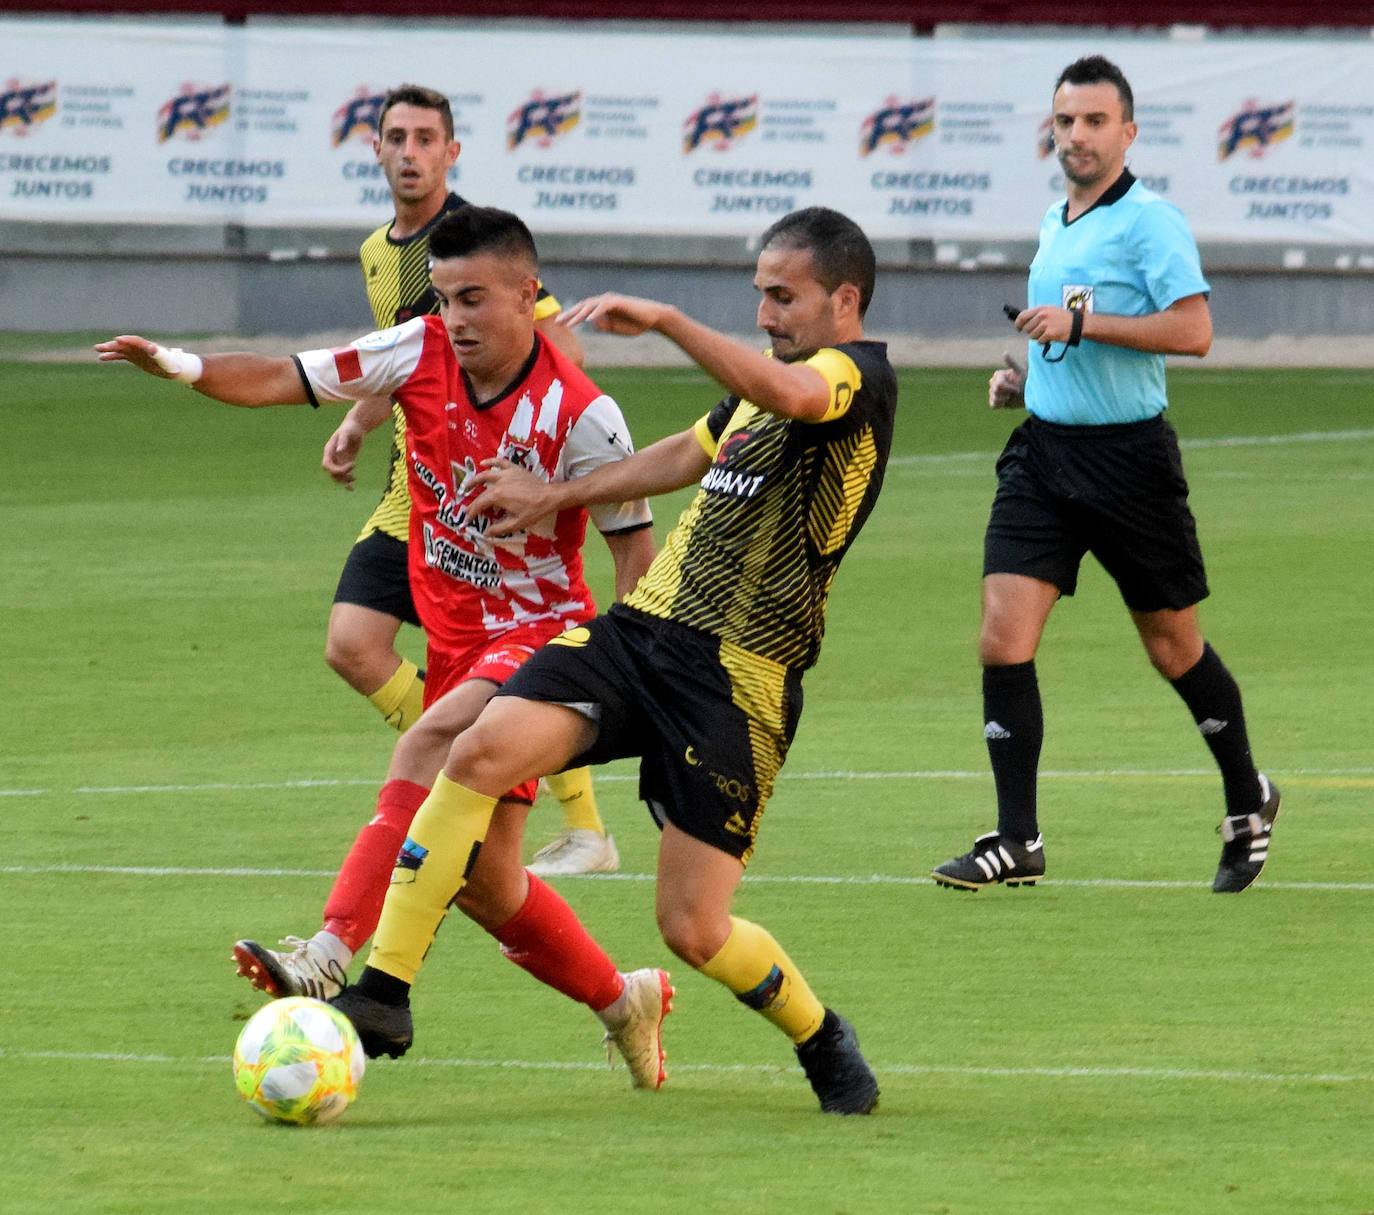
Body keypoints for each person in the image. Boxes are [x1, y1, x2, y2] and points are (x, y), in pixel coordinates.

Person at [327, 206, 896, 1116]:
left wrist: (671, 322)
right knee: (472, 749)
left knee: (694, 928)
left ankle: (820, 1031)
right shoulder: (765, 383)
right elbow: (682, 453)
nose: (765, 314)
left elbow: (794, 398)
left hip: (738, 676)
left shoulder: (853, 380)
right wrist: (561, 493)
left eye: (783, 297)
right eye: (757, 295)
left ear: (845, 299)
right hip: (642, 634)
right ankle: (384, 993)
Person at [95, 206, 672, 1090]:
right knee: (486, 882)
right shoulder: (415, 352)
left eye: (474, 298)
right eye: (443, 299)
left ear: (528, 294)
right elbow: (283, 377)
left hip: (545, 639)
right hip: (456, 647)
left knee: (425, 741)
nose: (456, 319)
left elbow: (637, 559)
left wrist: (636, 687)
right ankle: (623, 999)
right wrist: (179, 364)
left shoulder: (585, 416)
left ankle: (329, 952)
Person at [930, 55, 1279, 895]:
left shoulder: (1151, 221)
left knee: (1172, 646)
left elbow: (1193, 332)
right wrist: (1029, 378)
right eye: (1064, 121)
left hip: (1129, 465)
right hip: (1046, 457)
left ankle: (1248, 794)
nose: (1076, 136)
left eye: (1093, 122)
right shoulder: (1056, 219)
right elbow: (1068, 337)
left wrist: (1084, 326)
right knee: (1001, 635)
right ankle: (1018, 838)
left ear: (1128, 131)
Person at [330, 83, 619, 878]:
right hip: (411, 496)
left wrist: (527, 428)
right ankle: (467, 762)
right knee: (352, 646)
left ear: (452, 152)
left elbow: (559, 345)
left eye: (427, 138)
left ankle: (580, 824)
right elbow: (407, 356)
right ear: (376, 149)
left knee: (525, 657)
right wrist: (357, 421)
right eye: (397, 137)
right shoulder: (376, 252)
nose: (411, 152)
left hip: (481, 499)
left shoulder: (474, 248)